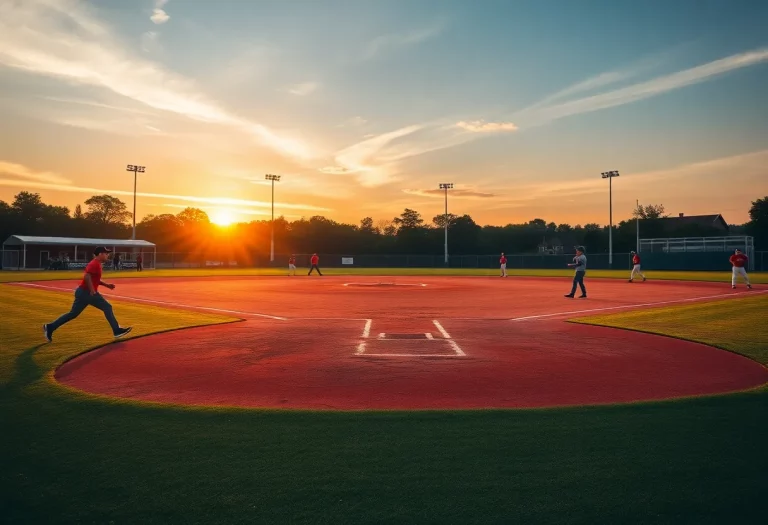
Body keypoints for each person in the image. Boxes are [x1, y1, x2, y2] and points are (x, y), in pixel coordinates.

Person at [43, 247, 132, 342]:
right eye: (106, 253)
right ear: (100, 254)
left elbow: (94, 279)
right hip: (87, 292)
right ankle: (116, 330)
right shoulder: (94, 264)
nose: (108, 255)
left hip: (82, 292)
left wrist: (106, 285)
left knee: (73, 314)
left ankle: (50, 327)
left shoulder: (97, 264)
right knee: (107, 307)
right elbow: (87, 276)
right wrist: (92, 290)